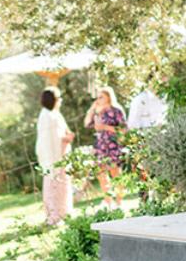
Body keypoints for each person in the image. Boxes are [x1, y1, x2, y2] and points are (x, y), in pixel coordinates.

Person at [34, 88, 75, 226]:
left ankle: (64, 213)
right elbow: (49, 139)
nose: (60, 101)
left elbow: (64, 131)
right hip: (52, 157)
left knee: (63, 185)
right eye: (59, 98)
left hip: (62, 156)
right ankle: (53, 216)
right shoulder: (46, 116)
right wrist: (64, 139)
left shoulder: (56, 114)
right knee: (52, 185)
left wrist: (68, 136)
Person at [85, 87, 126, 209]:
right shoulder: (98, 112)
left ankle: (119, 202)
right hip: (101, 146)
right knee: (101, 174)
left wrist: (105, 127)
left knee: (116, 174)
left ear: (109, 96)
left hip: (113, 145)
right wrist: (92, 109)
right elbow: (87, 123)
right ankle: (107, 200)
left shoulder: (116, 111)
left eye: (101, 96)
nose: (98, 99)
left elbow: (123, 130)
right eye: (97, 97)